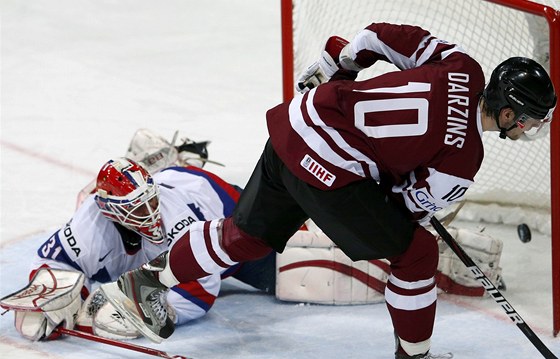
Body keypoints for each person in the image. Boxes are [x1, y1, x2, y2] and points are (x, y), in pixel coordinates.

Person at [101, 22, 557, 358]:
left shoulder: (461, 63)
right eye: (532, 119)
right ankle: (414, 357)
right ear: (509, 113)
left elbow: (373, 38)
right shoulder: (463, 160)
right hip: (330, 167)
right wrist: (393, 179)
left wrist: (337, 66)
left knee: (246, 235)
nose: (532, 128)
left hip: (298, 120)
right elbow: (400, 208)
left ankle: (147, 279)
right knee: (417, 253)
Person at [6, 133, 276, 342]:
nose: (150, 214)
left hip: (230, 212)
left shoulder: (178, 219)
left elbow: (202, 289)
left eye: (150, 201)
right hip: (176, 186)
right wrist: (53, 297)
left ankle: (178, 162)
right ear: (109, 210)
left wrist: (150, 312)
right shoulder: (89, 221)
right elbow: (53, 262)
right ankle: (167, 162)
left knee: (301, 270)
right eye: (136, 208)